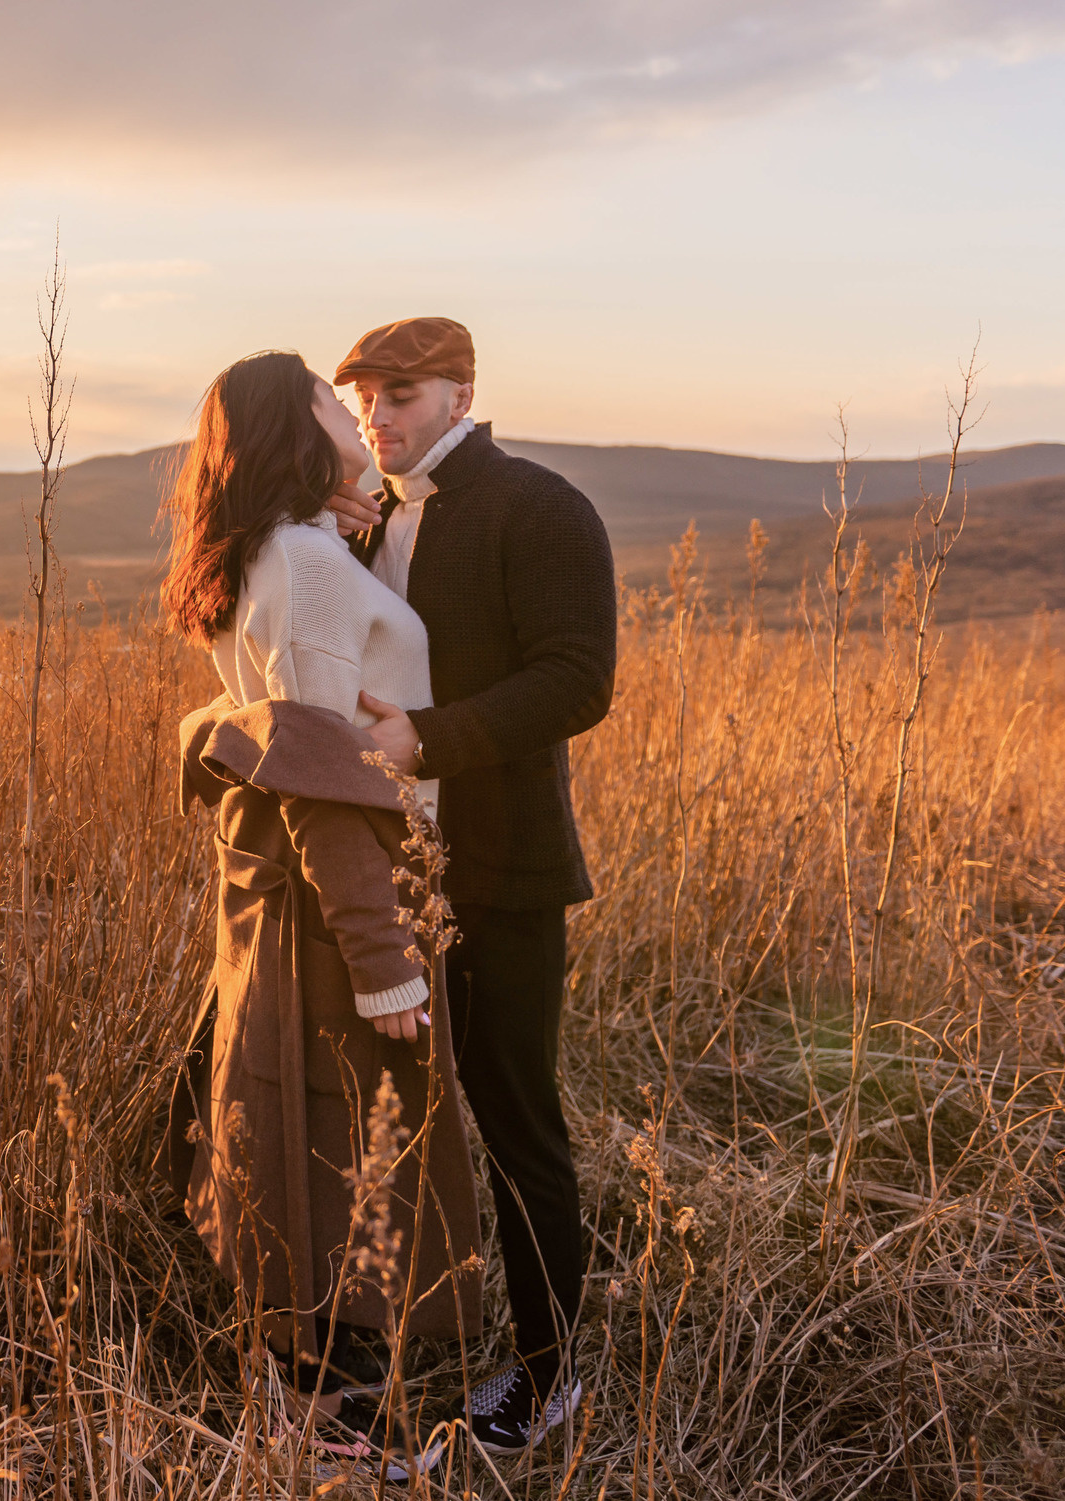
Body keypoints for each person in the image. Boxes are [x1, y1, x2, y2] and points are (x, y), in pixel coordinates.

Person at [160, 349, 483, 1480]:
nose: (349, 412)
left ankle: (295, 1393)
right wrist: (383, 952)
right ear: (292, 427)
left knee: (302, 1118)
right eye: (323, 398)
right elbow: (314, 765)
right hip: (339, 884)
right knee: (351, 1135)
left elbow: (262, 721)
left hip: (278, 885)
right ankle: (345, 1426)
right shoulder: (301, 561)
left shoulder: (276, 551)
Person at [325, 315, 616, 1458]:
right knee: (387, 1117)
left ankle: (547, 1377)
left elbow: (577, 679)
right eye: (363, 404)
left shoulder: (538, 506)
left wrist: (427, 740)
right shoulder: (369, 517)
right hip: (388, 873)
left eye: (400, 396)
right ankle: (380, 1345)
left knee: (515, 1119)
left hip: (501, 871)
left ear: (460, 392)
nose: (379, 420)